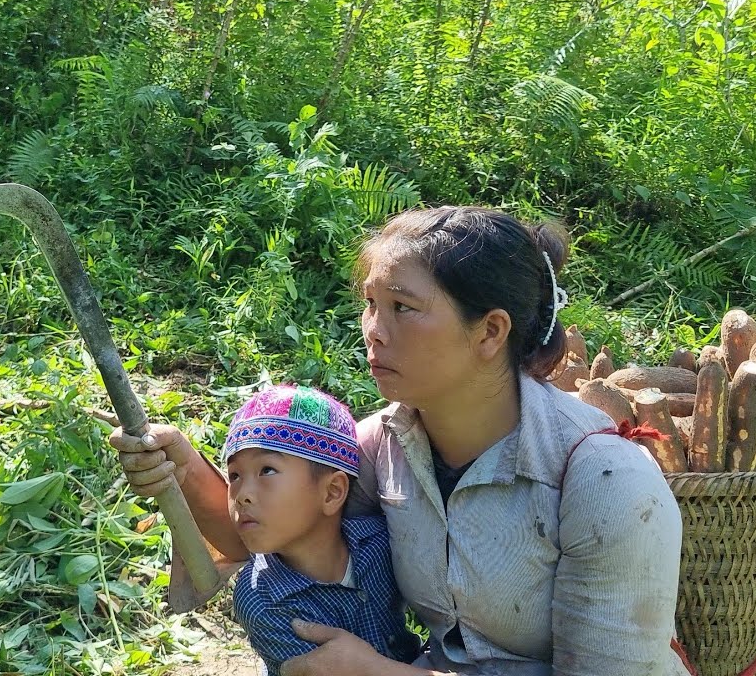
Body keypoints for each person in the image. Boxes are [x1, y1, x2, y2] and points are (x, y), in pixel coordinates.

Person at [111, 206, 690, 676]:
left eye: (403, 308)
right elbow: (275, 530)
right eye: (371, 304)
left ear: (490, 331)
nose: (374, 332)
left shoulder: (605, 481)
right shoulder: (384, 445)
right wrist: (181, 467)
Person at [223, 384, 421, 675]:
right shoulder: (262, 600)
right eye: (234, 476)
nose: (242, 495)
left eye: (267, 470)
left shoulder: (380, 543)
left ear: (332, 492)